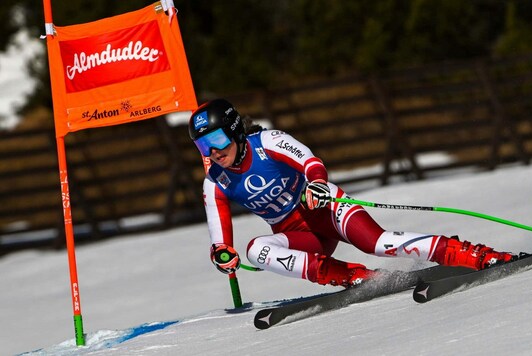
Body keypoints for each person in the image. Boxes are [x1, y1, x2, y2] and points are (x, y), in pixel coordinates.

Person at [189, 98, 515, 288]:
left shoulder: (267, 142)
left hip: (324, 207)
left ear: (234, 131)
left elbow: (310, 162)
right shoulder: (215, 180)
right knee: (255, 250)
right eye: (203, 145)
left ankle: (469, 253)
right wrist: (222, 253)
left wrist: (316, 185)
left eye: (216, 140)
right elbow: (220, 238)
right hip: (300, 235)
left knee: (377, 243)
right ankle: (350, 276)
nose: (213, 152)